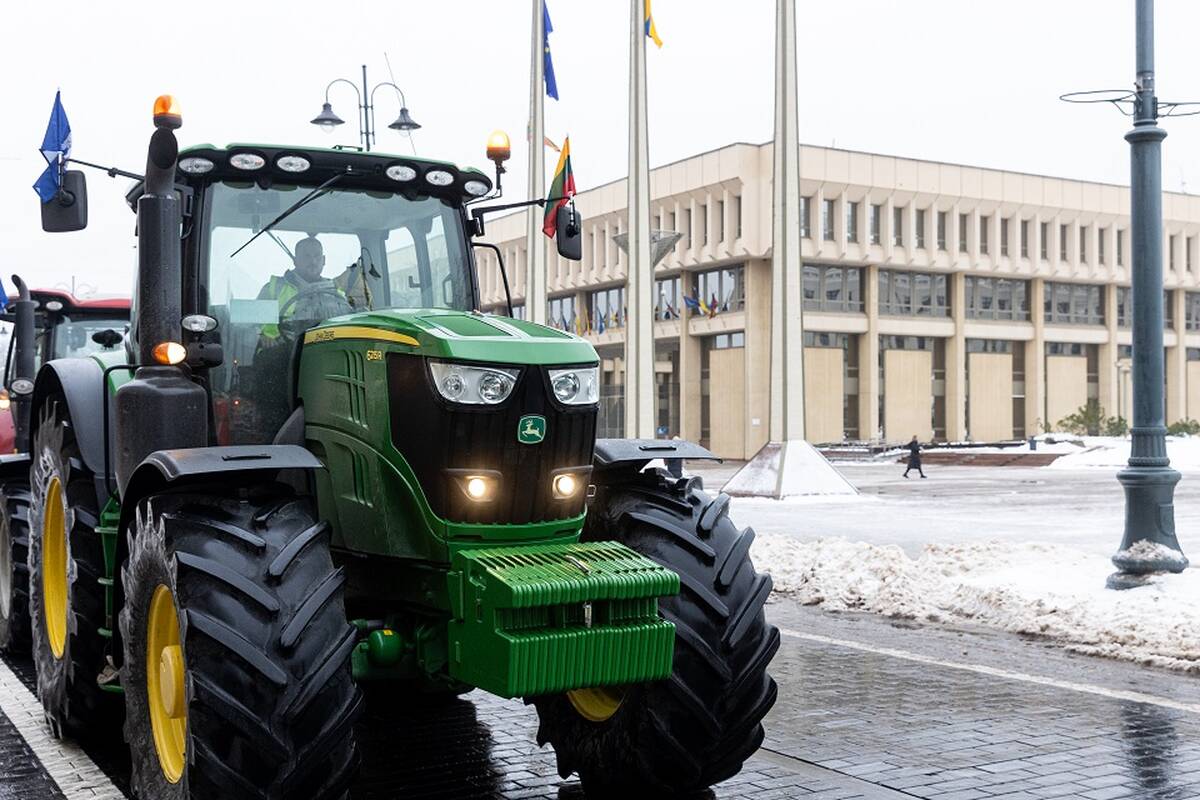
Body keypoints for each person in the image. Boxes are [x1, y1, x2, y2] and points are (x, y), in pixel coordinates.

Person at [257, 235, 351, 340]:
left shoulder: (337, 293)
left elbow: (348, 326)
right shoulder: (274, 289)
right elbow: (253, 325)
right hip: (283, 348)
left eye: (317, 256)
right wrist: (263, 336)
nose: (313, 261)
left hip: (329, 347)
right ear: (295, 261)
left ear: (324, 260)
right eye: (307, 257)